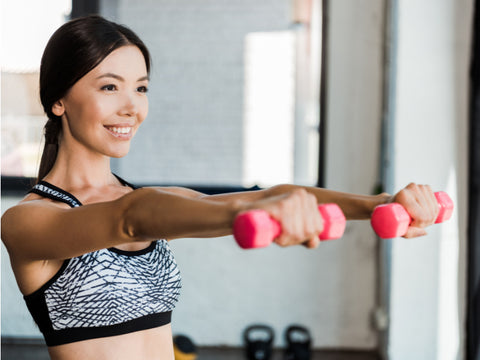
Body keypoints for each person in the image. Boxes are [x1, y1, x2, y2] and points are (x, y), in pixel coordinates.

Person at [0, 15, 439, 360]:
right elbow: (131, 220)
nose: (132, 106)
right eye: (110, 86)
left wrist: (381, 204)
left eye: (142, 87)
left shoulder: (136, 198)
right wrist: (243, 218)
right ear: (58, 100)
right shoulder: (29, 221)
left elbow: (257, 196)